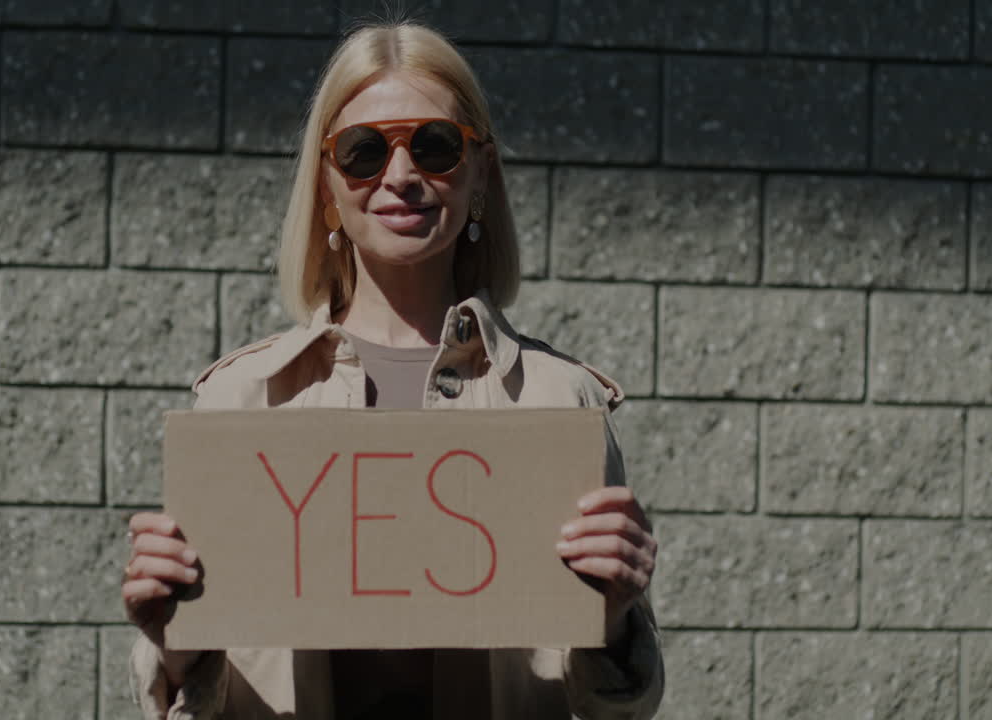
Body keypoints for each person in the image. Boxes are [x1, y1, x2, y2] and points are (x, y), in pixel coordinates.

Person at [121, 19, 663, 720]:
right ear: (326, 186)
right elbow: (192, 692)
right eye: (364, 151)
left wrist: (614, 622)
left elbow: (621, 709)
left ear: (480, 174)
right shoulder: (243, 398)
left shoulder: (561, 400)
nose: (401, 177)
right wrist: (170, 642)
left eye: (435, 146)